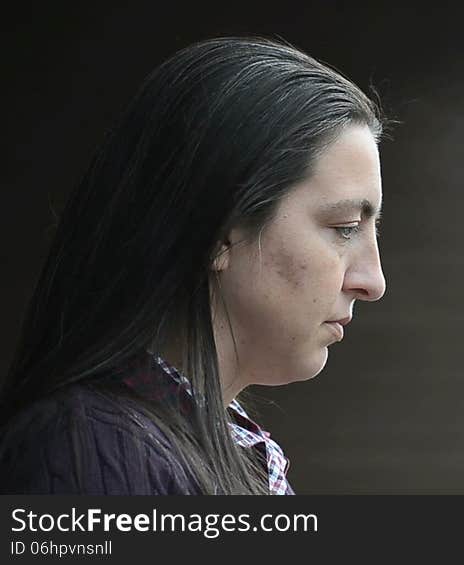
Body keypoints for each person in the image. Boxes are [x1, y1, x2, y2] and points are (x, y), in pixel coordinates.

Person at [0, 36, 388, 494]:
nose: (373, 281)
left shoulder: (210, 453)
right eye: (344, 227)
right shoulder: (91, 454)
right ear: (219, 233)